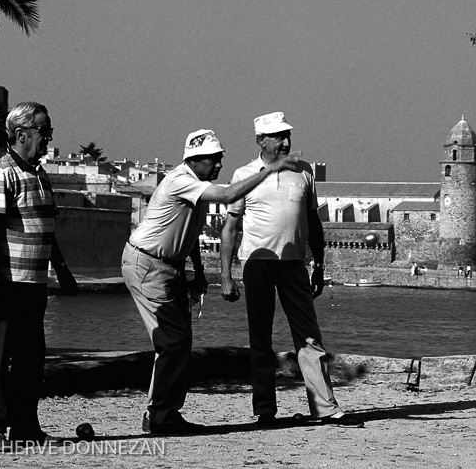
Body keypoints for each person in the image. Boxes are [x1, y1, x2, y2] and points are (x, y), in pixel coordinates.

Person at [122, 129, 298, 436]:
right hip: (148, 263)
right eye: (213, 160)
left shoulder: (197, 187)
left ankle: (161, 412)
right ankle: (162, 414)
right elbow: (230, 195)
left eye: (220, 159)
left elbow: (188, 235)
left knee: (177, 341)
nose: (218, 165)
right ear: (194, 160)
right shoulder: (181, 180)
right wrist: (270, 169)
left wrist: (199, 272)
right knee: (172, 341)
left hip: (169, 266)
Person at [220, 112, 363, 427]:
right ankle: (265, 411)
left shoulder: (305, 171)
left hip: (295, 265)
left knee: (309, 336)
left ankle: (325, 408)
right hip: (256, 264)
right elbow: (230, 227)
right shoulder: (244, 174)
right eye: (278, 136)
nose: (285, 142)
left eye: (288, 136)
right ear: (261, 140)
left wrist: (320, 263)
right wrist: (225, 275)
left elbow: (313, 222)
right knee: (260, 339)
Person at [0, 102, 78, 452]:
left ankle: (24, 427)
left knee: (30, 359)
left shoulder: (38, 174)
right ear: (21, 134)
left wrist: (62, 272)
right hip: (9, 281)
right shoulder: (0, 172)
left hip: (35, 282)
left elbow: (45, 228)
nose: (48, 139)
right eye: (43, 132)